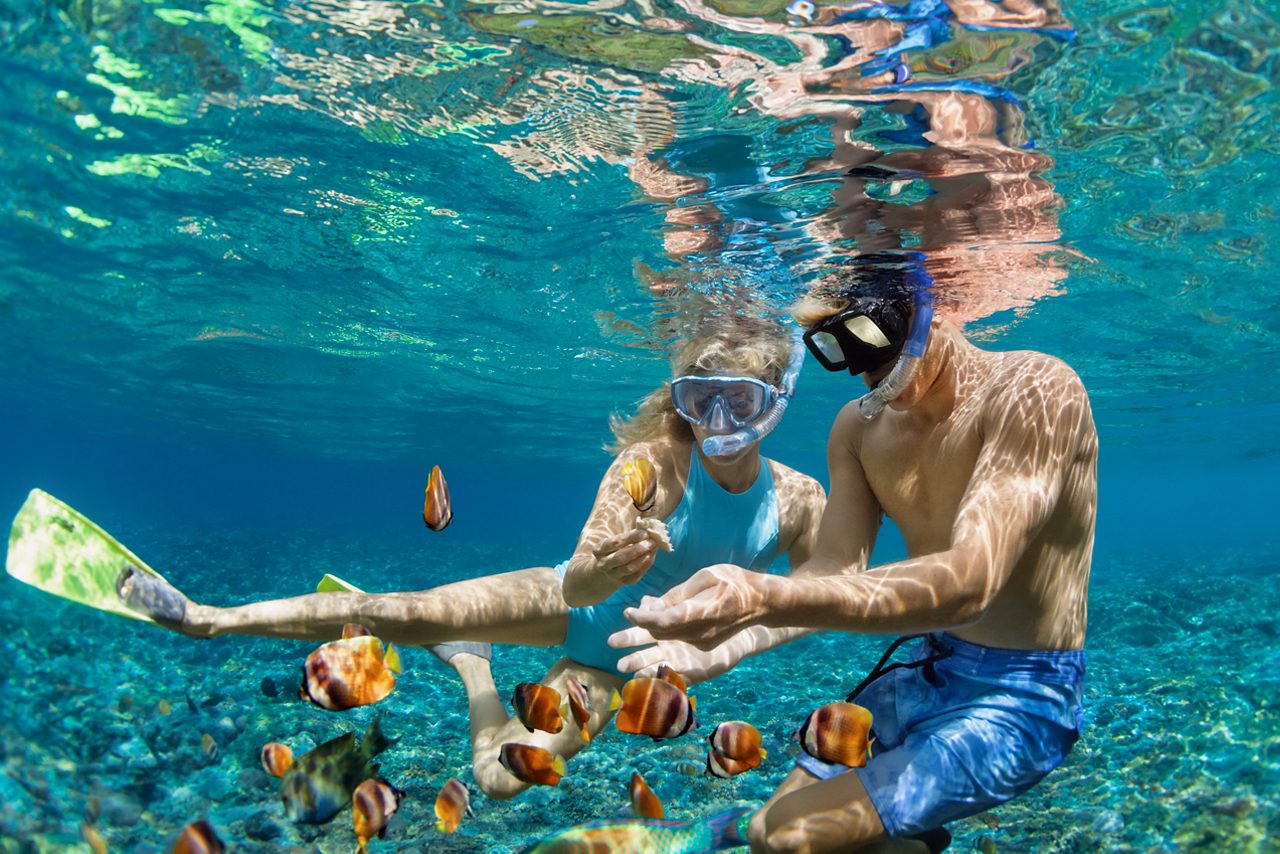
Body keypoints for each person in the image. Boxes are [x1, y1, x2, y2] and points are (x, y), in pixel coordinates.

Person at [118, 313, 828, 800]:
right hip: (568, 603)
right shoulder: (653, 465)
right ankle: (207, 617)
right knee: (398, 613)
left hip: (615, 669)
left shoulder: (799, 499)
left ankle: (471, 664)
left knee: (499, 780)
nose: (717, 423)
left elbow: (823, 598)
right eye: (700, 400)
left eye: (740, 402)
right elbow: (580, 583)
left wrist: (730, 643)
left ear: (776, 403)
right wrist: (609, 565)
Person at [612, 256, 1097, 853]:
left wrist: (762, 597)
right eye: (839, 349)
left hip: (1022, 694)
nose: (867, 373)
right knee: (770, 829)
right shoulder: (858, 429)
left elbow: (974, 578)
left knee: (785, 837)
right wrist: (735, 640)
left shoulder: (1035, 387)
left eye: (873, 336)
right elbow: (833, 570)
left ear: (927, 305)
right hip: (926, 666)